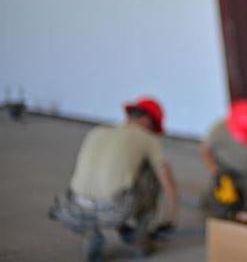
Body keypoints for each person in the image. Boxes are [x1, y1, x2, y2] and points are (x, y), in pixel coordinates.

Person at [49, 97, 179, 262]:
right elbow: (169, 186)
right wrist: (169, 221)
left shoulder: (96, 131)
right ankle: (139, 238)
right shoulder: (148, 139)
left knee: (111, 173)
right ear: (146, 120)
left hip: (73, 208)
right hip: (115, 209)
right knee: (152, 175)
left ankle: (91, 233)